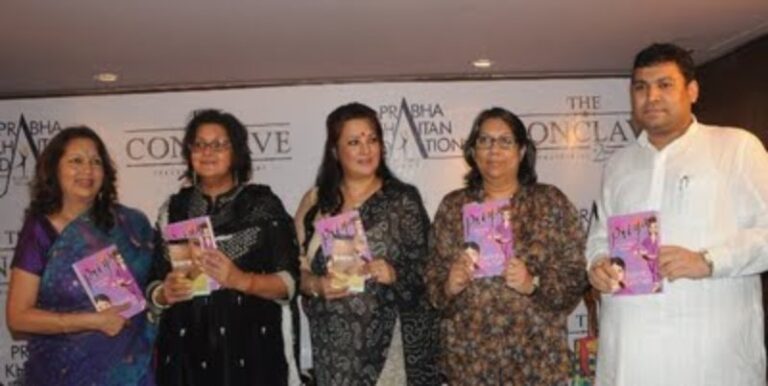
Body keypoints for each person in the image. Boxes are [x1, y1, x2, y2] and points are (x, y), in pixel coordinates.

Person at [586, 43, 768, 385]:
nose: (651, 96)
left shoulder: (736, 147)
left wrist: (710, 260)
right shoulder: (618, 164)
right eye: (640, 87)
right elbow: (599, 237)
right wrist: (597, 266)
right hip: (631, 355)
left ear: (692, 91)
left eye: (664, 84)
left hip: (711, 358)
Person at [425, 107, 588, 385]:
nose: (493, 150)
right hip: (469, 361)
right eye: (484, 141)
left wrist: (533, 283)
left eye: (505, 141)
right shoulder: (453, 207)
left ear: (522, 151)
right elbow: (432, 280)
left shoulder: (550, 202)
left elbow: (575, 275)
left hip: (536, 361)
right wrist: (447, 286)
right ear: (473, 151)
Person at [147, 109, 301, 386]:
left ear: (237, 152)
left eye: (219, 144)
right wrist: (163, 293)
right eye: (200, 144)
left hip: (251, 352)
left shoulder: (262, 205)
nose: (208, 152)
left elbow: (289, 283)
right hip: (186, 354)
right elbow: (153, 281)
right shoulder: (174, 209)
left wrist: (241, 280)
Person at [295, 102, 440, 385]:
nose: (366, 149)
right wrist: (315, 285)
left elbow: (431, 269)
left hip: (390, 345)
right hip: (332, 347)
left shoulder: (401, 200)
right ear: (336, 152)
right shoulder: (315, 202)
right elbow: (293, 265)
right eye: (354, 142)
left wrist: (394, 273)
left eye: (372, 139)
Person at [6, 126, 156, 385]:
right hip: (67, 372)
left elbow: (155, 287)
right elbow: (18, 317)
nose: (87, 170)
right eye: (76, 161)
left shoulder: (131, 224)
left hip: (135, 369)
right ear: (55, 169)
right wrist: (93, 321)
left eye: (95, 161)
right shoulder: (40, 231)